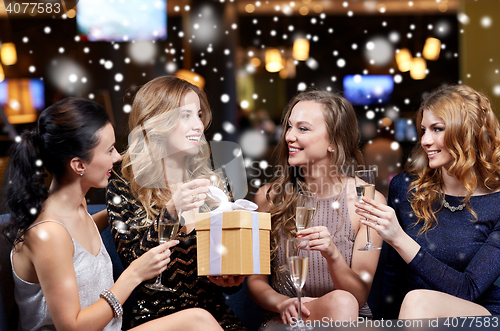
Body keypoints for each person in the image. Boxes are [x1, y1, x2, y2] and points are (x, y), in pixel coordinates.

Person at [3, 98, 224, 331]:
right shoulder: (49, 233)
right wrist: (134, 274)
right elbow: (72, 328)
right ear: (79, 165)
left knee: (198, 319)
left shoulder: (78, 209)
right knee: (197, 320)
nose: (117, 157)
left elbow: (103, 223)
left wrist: (151, 205)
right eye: (109, 150)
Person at [106, 76, 245, 329]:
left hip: (214, 315)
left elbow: (228, 265)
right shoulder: (124, 183)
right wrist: (170, 213)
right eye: (185, 116)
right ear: (157, 121)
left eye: (199, 115)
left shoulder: (215, 184)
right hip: (158, 318)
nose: (198, 126)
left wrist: (231, 277)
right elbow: (132, 261)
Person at [355, 84, 500, 319]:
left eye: (437, 129)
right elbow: (394, 275)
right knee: (415, 301)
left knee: (418, 300)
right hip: (416, 317)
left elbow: (469, 289)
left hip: (481, 315)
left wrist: (399, 239)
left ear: (467, 131)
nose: (425, 140)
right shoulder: (406, 187)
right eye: (423, 130)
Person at [247, 89, 386, 328]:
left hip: (347, 320)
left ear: (334, 141)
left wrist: (332, 254)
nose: (289, 136)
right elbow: (256, 281)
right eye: (289, 127)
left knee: (343, 303)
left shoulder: (367, 200)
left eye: (303, 129)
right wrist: (282, 303)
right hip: (287, 320)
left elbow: (359, 295)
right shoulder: (269, 198)